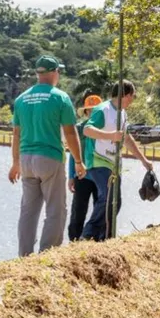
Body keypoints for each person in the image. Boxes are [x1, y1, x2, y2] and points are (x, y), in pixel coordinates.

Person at [9, 55, 86, 257]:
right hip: (50, 158)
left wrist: (15, 163)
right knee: (56, 210)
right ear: (53, 73)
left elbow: (16, 134)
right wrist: (78, 161)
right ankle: (47, 254)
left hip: (26, 159)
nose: (58, 74)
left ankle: (24, 255)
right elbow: (70, 133)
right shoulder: (60, 97)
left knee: (28, 210)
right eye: (58, 71)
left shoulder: (21, 99)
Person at [81, 80, 154, 241]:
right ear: (126, 95)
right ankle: (87, 235)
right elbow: (87, 130)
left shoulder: (122, 113)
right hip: (99, 160)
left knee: (116, 202)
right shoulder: (103, 109)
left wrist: (144, 161)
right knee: (108, 197)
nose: (132, 100)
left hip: (114, 163)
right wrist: (111, 136)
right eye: (133, 97)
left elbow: (127, 138)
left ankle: (103, 238)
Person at [67, 94, 103, 241]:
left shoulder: (106, 129)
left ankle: (98, 239)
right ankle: (74, 240)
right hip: (82, 175)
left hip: (101, 175)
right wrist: (71, 176)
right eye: (90, 110)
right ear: (86, 112)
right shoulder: (79, 129)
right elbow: (73, 152)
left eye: (96, 110)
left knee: (100, 208)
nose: (92, 113)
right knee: (78, 210)